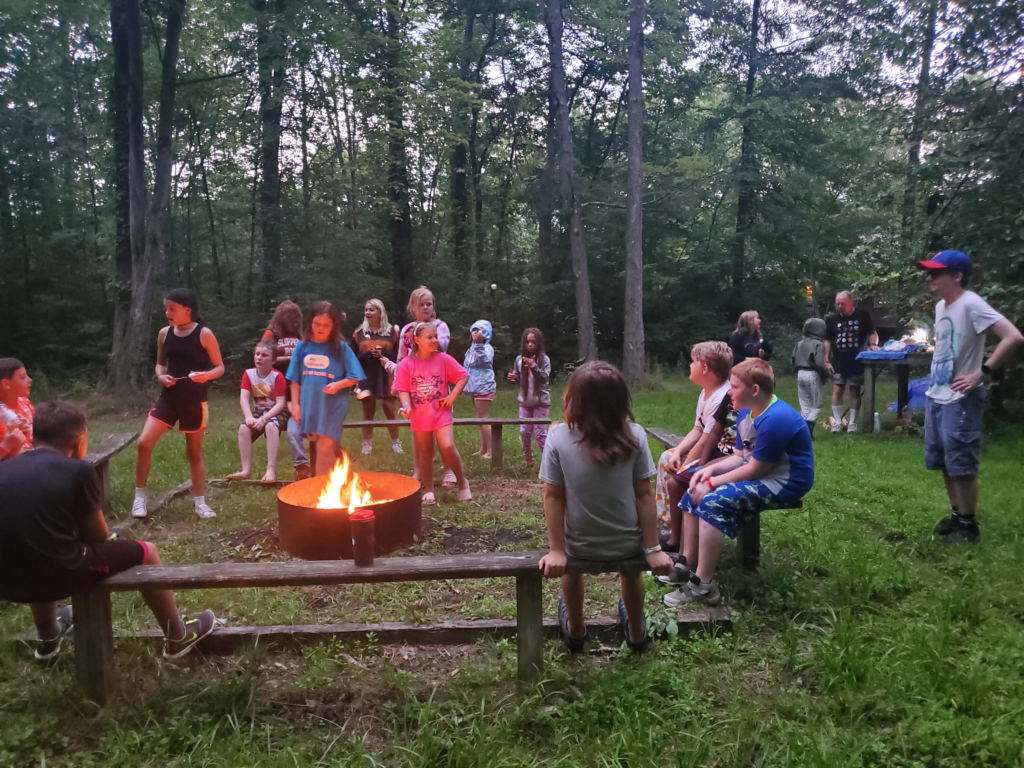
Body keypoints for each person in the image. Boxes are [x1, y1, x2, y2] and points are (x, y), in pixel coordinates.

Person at [0, 401, 216, 660]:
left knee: (37, 542)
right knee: (148, 551)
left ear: (34, 436)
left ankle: (48, 640)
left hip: (8, 583)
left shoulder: (5, 467)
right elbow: (98, 538)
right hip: (58, 575)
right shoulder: (79, 469)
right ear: (80, 439)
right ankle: (178, 637)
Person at [537, 361, 674, 654]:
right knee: (632, 572)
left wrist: (557, 551)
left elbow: (553, 497)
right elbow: (644, 495)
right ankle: (637, 634)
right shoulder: (635, 435)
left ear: (573, 399)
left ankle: (575, 631)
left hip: (578, 546)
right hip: (628, 545)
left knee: (570, 572)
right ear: (621, 401)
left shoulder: (558, 437)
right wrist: (652, 550)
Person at [664, 359, 814, 607]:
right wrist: (705, 472)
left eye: (734, 387)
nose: (729, 392)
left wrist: (712, 483)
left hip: (785, 483)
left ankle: (704, 586)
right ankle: (687, 564)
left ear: (754, 390)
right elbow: (738, 458)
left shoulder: (776, 418)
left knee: (712, 501)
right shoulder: (745, 411)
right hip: (760, 473)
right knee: (693, 490)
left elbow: (755, 470)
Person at [916, 250, 1023, 544]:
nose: (929, 277)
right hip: (937, 394)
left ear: (957, 276)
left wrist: (982, 372)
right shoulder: (941, 307)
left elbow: (1013, 336)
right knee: (944, 462)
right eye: (928, 272)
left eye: (936, 273)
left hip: (961, 398)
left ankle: (969, 525)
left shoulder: (971, 303)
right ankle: (956, 516)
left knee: (961, 463)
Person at [132, 289, 224, 520]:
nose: (167, 313)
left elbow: (219, 367)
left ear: (187, 310)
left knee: (194, 452)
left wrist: (206, 376)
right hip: (168, 398)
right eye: (166, 308)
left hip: (194, 400)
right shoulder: (164, 333)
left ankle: (200, 503)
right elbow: (160, 365)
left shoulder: (204, 334)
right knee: (144, 443)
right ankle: (139, 497)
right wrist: (161, 377)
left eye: (172, 309)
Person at [653, 341, 733, 559]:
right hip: (708, 451)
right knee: (667, 457)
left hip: (717, 456)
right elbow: (698, 429)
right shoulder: (706, 393)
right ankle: (670, 524)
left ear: (705, 368)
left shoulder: (720, 397)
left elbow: (708, 439)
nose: (689, 365)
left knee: (675, 474)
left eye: (693, 361)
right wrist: (679, 451)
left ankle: (674, 532)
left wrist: (689, 466)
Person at [394, 322, 472, 504]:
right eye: (430, 337)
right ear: (417, 340)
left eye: (436, 336)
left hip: (441, 413)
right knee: (425, 451)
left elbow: (463, 376)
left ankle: (462, 482)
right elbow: (402, 389)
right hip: (419, 415)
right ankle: (429, 490)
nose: (434, 340)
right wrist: (406, 406)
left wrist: (452, 395)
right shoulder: (407, 364)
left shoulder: (443, 359)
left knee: (447, 446)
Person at [287, 302, 366, 478]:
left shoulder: (341, 348)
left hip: (332, 405)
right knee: (318, 444)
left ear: (333, 326)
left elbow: (354, 376)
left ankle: (322, 492)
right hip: (310, 404)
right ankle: (334, 484)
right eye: (317, 324)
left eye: (326, 325)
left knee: (324, 447)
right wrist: (295, 405)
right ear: (310, 323)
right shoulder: (302, 347)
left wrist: (338, 385)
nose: (321, 328)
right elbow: (294, 380)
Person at [396, 286, 456, 487]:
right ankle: (419, 471)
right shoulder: (406, 330)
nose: (425, 308)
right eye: (420, 304)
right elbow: (401, 358)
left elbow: (442, 346)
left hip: (438, 390)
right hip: (416, 391)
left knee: (442, 434)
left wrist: (426, 335)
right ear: (412, 307)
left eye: (428, 304)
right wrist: (398, 385)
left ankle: (449, 471)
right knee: (418, 434)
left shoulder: (440, 326)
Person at [227, 341, 287, 483]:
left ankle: (271, 469)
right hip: (259, 411)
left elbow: (280, 403)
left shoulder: (277, 376)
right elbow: (244, 398)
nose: (259, 357)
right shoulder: (249, 374)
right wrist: (248, 416)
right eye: (257, 354)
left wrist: (264, 419)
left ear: (273, 360)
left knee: (271, 426)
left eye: (265, 355)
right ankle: (246, 470)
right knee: (243, 428)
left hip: (276, 411)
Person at [351, 299, 403, 455]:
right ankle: (366, 444)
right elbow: (352, 357)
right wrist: (368, 355)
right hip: (366, 374)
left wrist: (385, 353)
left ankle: (396, 443)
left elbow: (399, 356)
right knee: (368, 410)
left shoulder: (392, 333)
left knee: (390, 409)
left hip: (387, 374)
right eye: (366, 310)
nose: (368, 313)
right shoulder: (358, 333)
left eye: (372, 310)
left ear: (380, 312)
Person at [825, 291, 879, 433]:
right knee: (837, 389)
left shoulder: (863, 315)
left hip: (857, 360)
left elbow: (872, 333)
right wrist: (827, 360)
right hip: (838, 361)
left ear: (851, 302)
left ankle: (852, 423)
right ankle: (837, 422)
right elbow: (827, 341)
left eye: (843, 303)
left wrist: (873, 344)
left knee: (854, 390)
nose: (840, 306)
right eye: (837, 304)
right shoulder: (831, 320)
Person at [508, 328, 551, 468]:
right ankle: (528, 461)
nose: (530, 345)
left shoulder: (544, 360)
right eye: (527, 342)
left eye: (533, 342)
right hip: (525, 402)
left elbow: (544, 378)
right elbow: (519, 376)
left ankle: (548, 463)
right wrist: (514, 377)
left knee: (540, 434)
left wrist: (534, 367)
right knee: (524, 432)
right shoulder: (519, 360)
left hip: (540, 402)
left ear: (538, 342)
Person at [463, 319, 496, 459]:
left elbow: (485, 361)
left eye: (479, 330)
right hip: (474, 387)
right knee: (479, 418)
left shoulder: (487, 348)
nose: (475, 333)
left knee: (483, 418)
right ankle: (483, 449)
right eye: (474, 330)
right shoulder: (471, 348)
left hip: (484, 386)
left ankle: (491, 450)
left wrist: (479, 345)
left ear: (486, 334)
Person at [793, 317, 829, 437]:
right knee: (816, 404)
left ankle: (802, 430)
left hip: (800, 373)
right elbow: (820, 363)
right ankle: (808, 428)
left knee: (804, 403)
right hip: (813, 373)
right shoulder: (818, 344)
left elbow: (793, 359)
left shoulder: (800, 343)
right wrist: (825, 375)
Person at [0, 358, 34, 461]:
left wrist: (24, 434)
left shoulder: (25, 403)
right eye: (23, 377)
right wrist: (6, 445)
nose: (30, 380)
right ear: (6, 384)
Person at [261, 299, 304, 374]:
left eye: (296, 320)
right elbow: (262, 358)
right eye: (291, 320)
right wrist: (288, 359)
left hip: (295, 379)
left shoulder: (298, 335)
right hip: (275, 377)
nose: (294, 323)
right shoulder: (271, 334)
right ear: (282, 319)